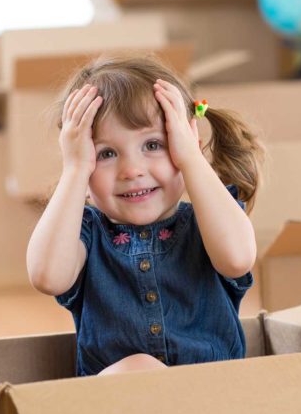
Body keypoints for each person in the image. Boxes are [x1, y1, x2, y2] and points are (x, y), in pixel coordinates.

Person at [26, 55, 262, 377]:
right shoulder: (87, 234)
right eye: (106, 154)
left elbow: (238, 259)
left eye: (153, 145)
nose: (132, 171)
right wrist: (75, 169)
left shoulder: (207, 224)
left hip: (210, 400)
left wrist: (191, 158)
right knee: (139, 368)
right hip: (119, 411)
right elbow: (47, 276)